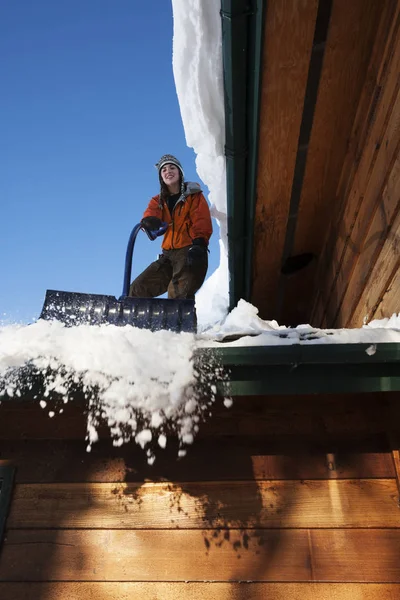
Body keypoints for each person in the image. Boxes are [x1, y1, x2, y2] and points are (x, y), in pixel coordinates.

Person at [129, 154, 212, 300]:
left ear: (180, 172)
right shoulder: (158, 200)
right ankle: (131, 322)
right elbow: (151, 213)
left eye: (172, 167)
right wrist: (148, 220)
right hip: (168, 255)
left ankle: (179, 323)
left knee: (178, 294)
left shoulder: (193, 196)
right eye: (164, 170)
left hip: (190, 251)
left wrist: (199, 243)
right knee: (137, 289)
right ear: (161, 177)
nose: (168, 171)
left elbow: (201, 219)